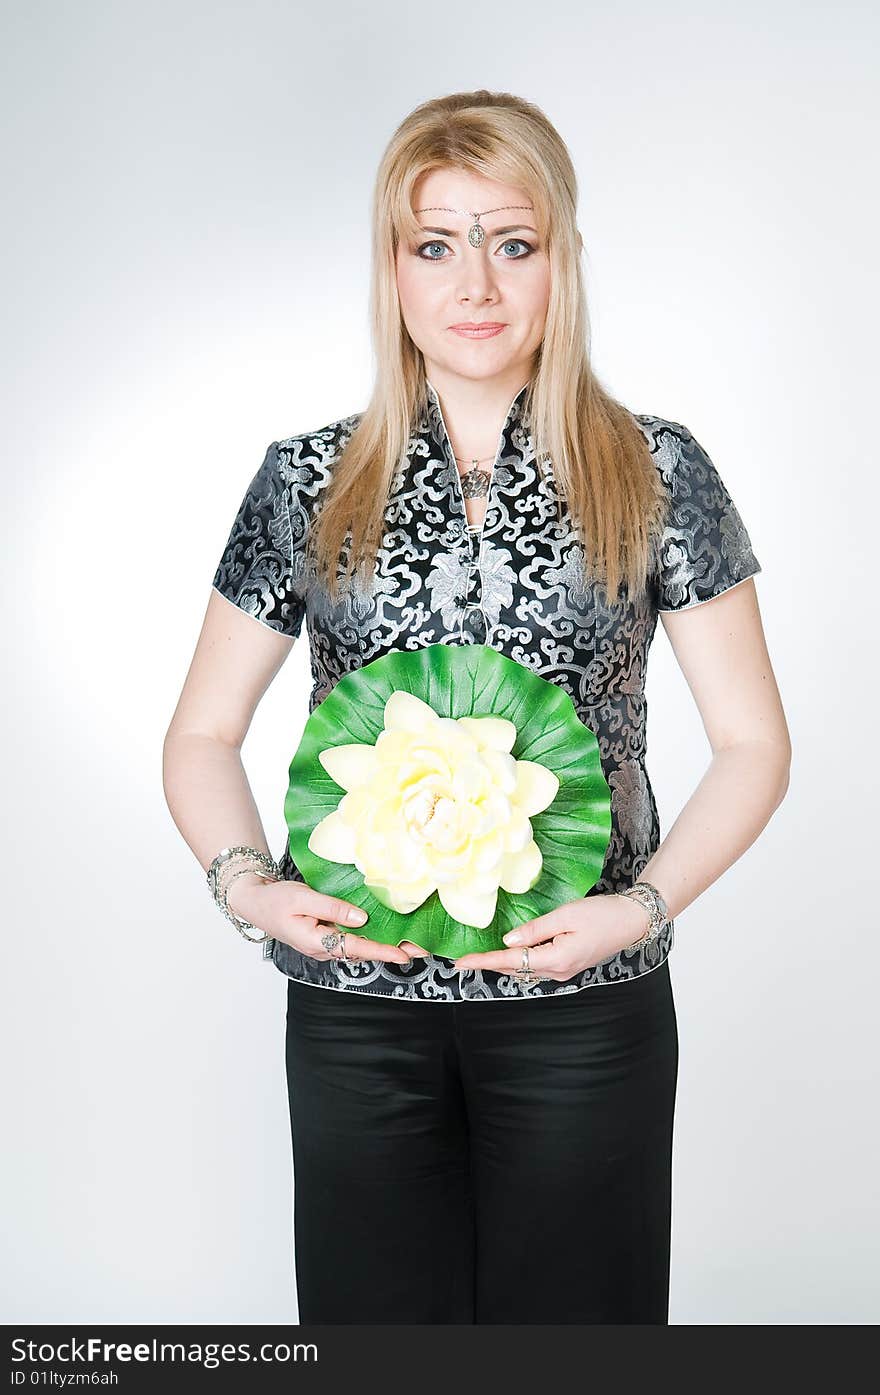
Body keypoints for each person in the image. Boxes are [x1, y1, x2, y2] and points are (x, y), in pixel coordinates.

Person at [162, 89, 791, 1325]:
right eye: (434, 244)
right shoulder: (308, 478)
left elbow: (754, 744)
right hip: (355, 1010)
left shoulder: (654, 468)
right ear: (393, 269)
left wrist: (641, 910)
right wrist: (249, 887)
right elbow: (200, 733)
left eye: (513, 242)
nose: (477, 286)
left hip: (586, 1011)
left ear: (559, 257)